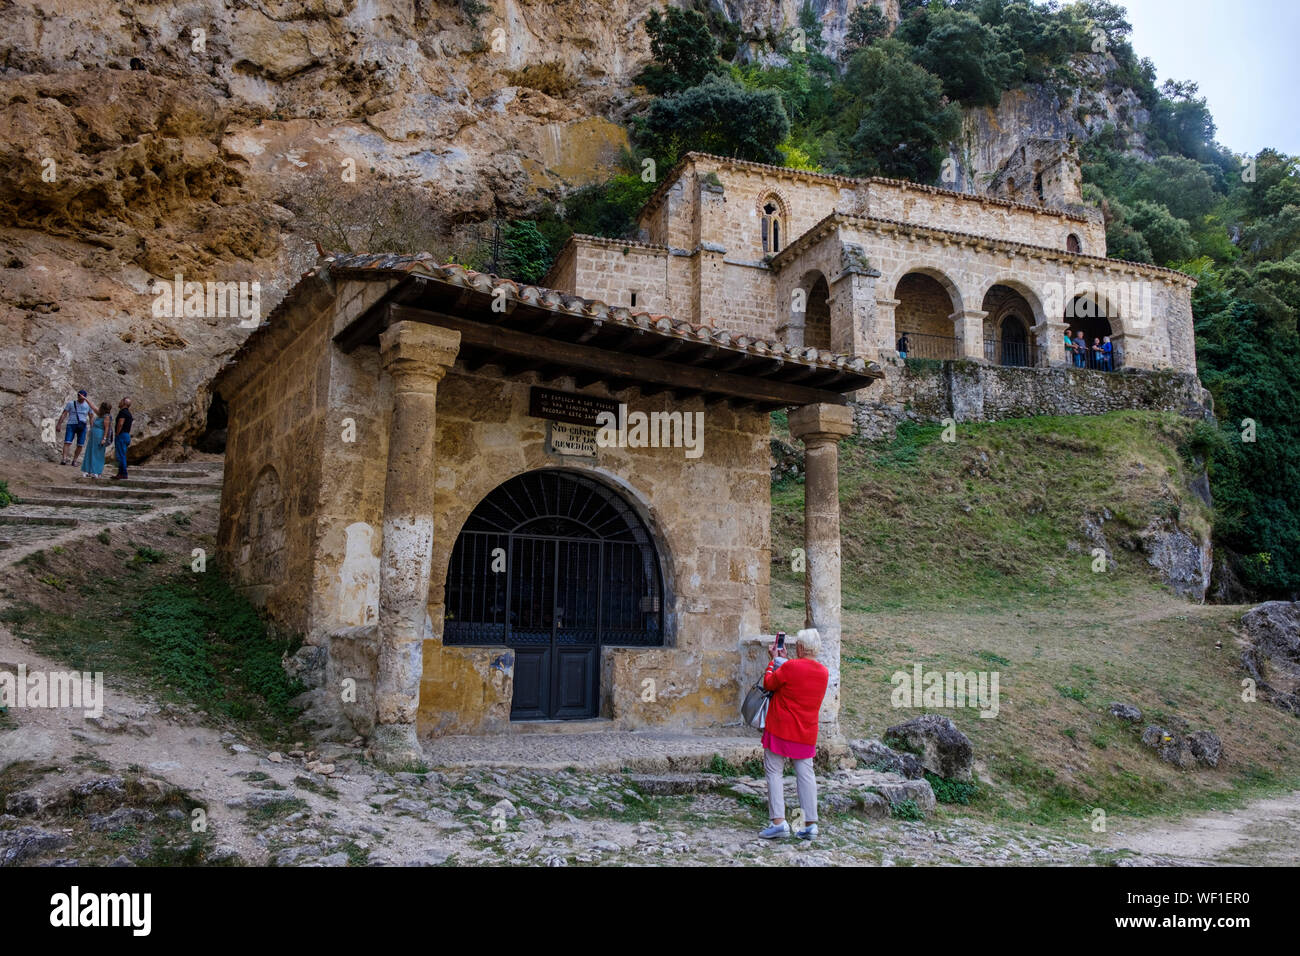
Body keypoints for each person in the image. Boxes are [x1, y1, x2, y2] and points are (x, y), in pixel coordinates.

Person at [758, 628, 829, 841]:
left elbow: (769, 683)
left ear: (799, 647)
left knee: (774, 771)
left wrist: (774, 661)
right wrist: (784, 663)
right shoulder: (824, 673)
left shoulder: (789, 667)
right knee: (806, 775)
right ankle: (810, 824)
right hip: (806, 730)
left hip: (781, 727)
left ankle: (778, 822)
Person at [56, 389, 94, 466]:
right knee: (67, 442)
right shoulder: (71, 403)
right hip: (71, 424)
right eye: (80, 396)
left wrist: (92, 428)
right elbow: (64, 414)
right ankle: (64, 459)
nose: (81, 398)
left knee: (80, 444)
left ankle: (75, 460)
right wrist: (59, 424)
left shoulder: (88, 406)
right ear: (78, 396)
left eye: (83, 396)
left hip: (82, 425)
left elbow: (91, 416)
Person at [80, 402, 113, 479]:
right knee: (90, 451)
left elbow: (106, 428)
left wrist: (104, 439)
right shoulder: (100, 414)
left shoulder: (106, 417)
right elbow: (93, 406)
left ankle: (96, 471)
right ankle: (88, 470)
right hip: (93, 436)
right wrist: (85, 399)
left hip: (99, 435)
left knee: (98, 453)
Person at [111, 397, 134, 480]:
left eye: (121, 401)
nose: (119, 402)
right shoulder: (128, 413)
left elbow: (120, 423)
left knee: (121, 456)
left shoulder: (123, 412)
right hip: (126, 435)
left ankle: (123, 473)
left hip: (122, 435)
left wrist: (117, 433)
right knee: (122, 455)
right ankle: (121, 473)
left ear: (124, 403)